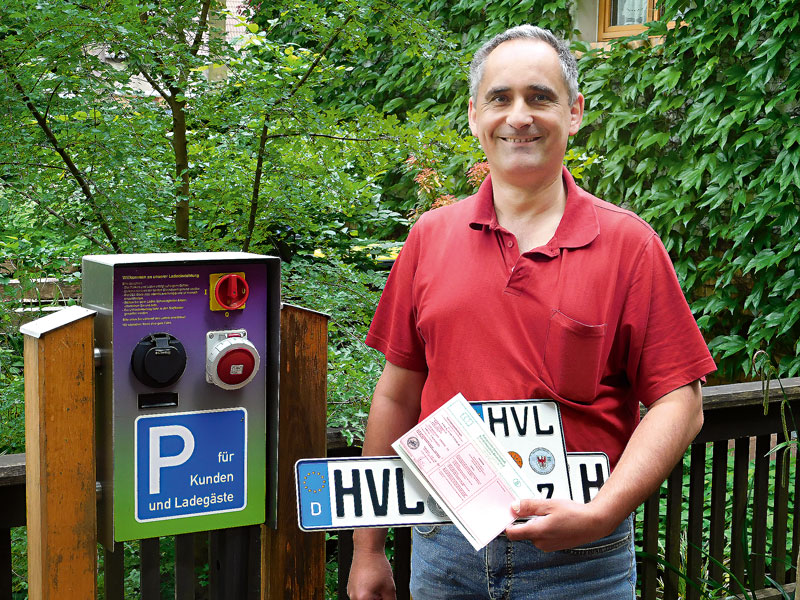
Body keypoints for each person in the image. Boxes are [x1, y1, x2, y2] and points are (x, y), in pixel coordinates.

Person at [347, 24, 716, 600]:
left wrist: (601, 514)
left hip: (582, 562)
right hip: (446, 546)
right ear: (475, 116)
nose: (519, 115)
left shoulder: (629, 246)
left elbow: (681, 402)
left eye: (540, 97)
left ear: (574, 113)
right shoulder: (429, 238)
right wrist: (368, 549)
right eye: (501, 98)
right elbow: (397, 393)